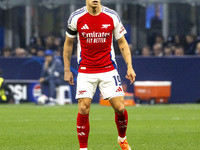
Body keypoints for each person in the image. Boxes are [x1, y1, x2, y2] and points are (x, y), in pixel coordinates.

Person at [63, 0, 136, 150]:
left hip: (108, 69)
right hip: (85, 70)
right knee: (83, 108)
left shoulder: (112, 16)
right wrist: (66, 69)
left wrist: (130, 66)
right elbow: (68, 43)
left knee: (120, 108)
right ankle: (83, 148)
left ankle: (122, 138)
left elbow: (122, 42)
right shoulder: (76, 17)